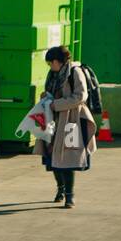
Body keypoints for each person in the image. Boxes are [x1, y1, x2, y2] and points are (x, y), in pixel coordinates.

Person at [35, 46, 96, 209]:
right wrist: (46, 97)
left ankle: (70, 196)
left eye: (50, 63)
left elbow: (80, 96)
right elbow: (51, 91)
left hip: (71, 120)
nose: (50, 66)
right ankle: (60, 189)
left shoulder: (75, 72)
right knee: (52, 155)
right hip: (53, 120)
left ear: (57, 61)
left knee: (68, 157)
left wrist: (57, 104)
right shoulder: (54, 74)